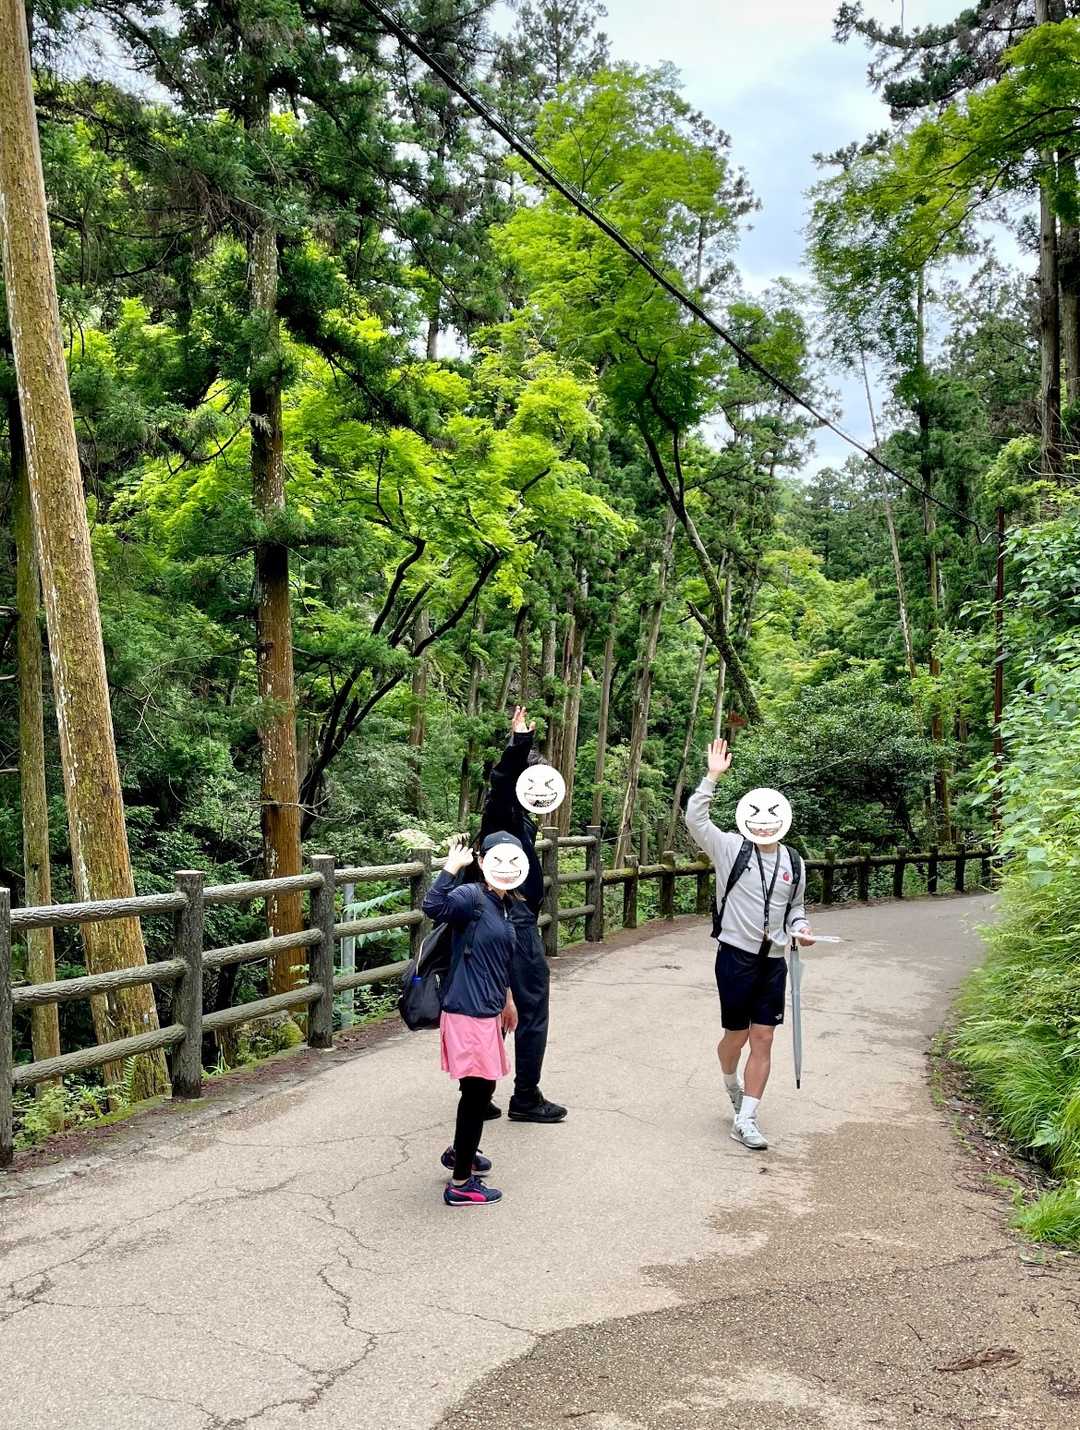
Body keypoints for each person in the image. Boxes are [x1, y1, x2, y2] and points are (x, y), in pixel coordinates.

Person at [684, 738, 815, 1152]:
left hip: (774, 961)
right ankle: (730, 1083)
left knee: (764, 1038)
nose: (763, 824)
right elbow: (695, 820)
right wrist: (712, 776)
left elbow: (796, 909)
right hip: (735, 957)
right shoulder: (729, 849)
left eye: (770, 817)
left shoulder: (793, 862)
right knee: (736, 1037)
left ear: (783, 820)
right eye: (756, 817)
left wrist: (801, 927)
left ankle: (747, 1118)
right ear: (746, 818)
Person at [473, 705, 567, 1124]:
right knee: (530, 1007)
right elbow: (502, 781)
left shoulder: (517, 821)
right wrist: (519, 743)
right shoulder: (503, 813)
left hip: (500, 917)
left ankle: (478, 1094)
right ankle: (525, 1096)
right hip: (513, 920)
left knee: (492, 1003)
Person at [422, 832, 520, 1206]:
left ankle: (460, 1152)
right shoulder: (471, 897)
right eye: (498, 858)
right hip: (467, 1011)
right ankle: (461, 1183)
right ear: (482, 861)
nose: (506, 867)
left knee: (481, 1089)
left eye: (514, 860)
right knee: (477, 1093)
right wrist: (451, 866)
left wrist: (507, 1000)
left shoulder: (502, 903)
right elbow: (433, 906)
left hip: (488, 1010)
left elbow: (498, 958)